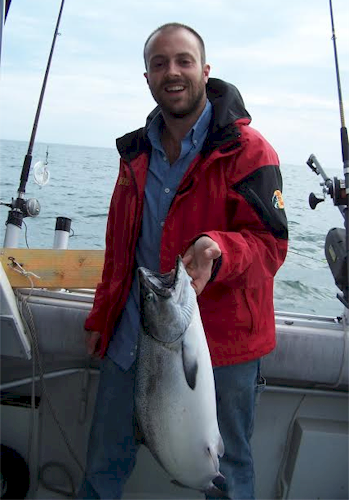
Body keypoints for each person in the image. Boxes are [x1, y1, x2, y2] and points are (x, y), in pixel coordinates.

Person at [78, 22, 288, 501]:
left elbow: (270, 247)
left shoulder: (250, 151)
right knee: (101, 466)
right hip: (131, 335)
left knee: (228, 472)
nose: (171, 72)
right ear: (147, 78)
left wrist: (220, 248)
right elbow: (120, 251)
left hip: (223, 349)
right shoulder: (134, 153)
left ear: (205, 71)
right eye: (159, 63)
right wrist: (101, 316)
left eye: (183, 61)